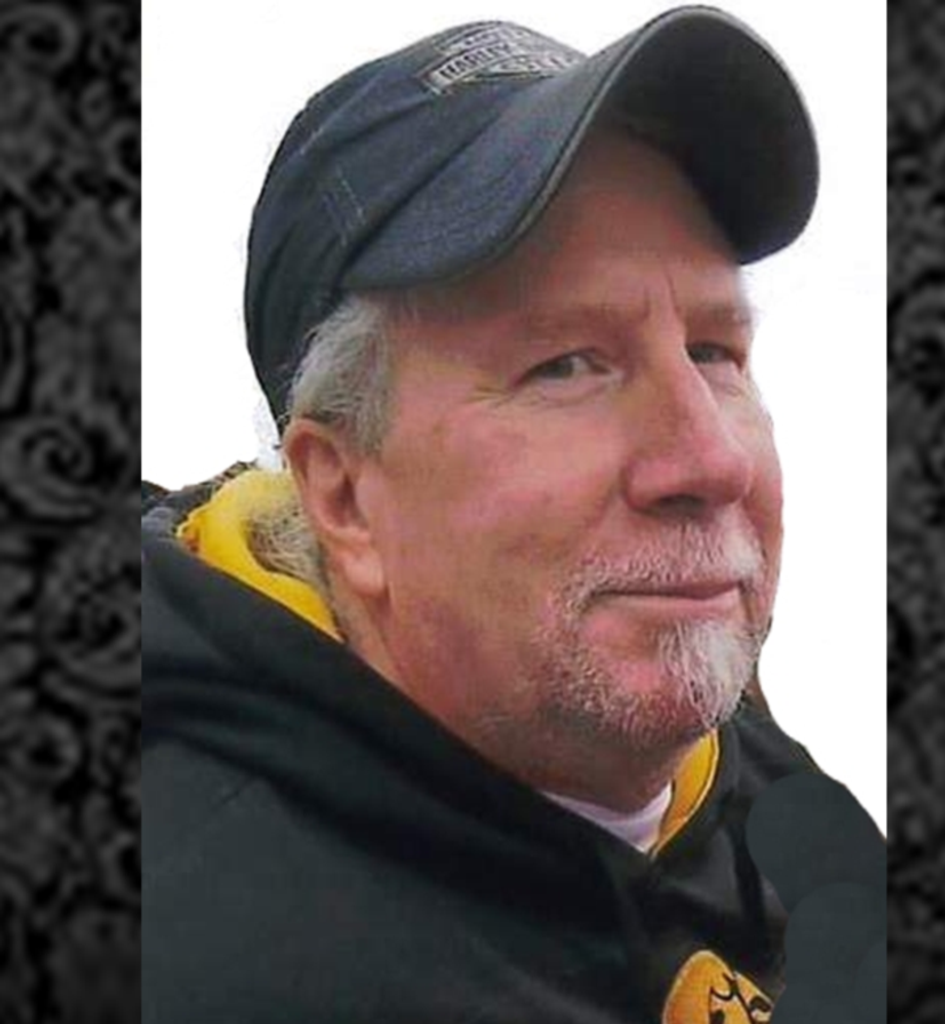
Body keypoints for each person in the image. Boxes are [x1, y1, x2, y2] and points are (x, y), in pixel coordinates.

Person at [143, 8, 827, 1022]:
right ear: (344, 497)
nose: (710, 460)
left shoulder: (767, 805)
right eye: (567, 366)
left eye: (714, 352)